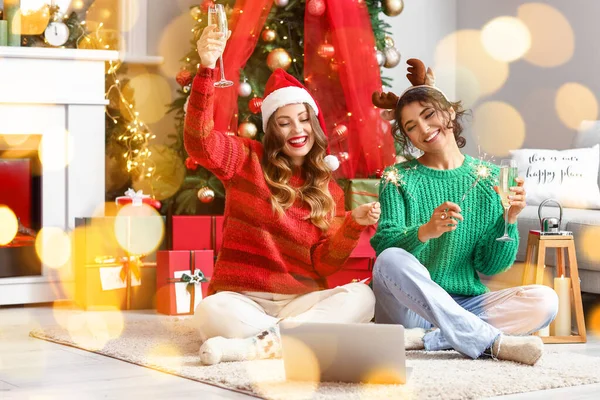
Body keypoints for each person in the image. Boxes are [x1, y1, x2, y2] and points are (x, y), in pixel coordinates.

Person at [185, 25, 380, 365]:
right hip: (242, 298)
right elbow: (199, 142)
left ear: (314, 125)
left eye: (303, 120)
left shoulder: (328, 187)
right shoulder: (245, 158)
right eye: (284, 122)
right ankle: (300, 342)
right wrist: (206, 68)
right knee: (209, 310)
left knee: (362, 296)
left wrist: (352, 225)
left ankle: (258, 346)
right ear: (271, 129)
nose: (297, 130)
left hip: (299, 301)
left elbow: (325, 263)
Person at [370, 59, 558, 366]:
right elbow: (384, 246)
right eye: (411, 127)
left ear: (450, 112)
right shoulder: (398, 178)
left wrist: (509, 220)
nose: (424, 130)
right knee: (391, 259)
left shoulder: (489, 179)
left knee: (545, 301)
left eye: (429, 115)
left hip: (464, 303)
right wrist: (425, 231)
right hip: (408, 308)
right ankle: (486, 340)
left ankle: (428, 340)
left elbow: (490, 265)